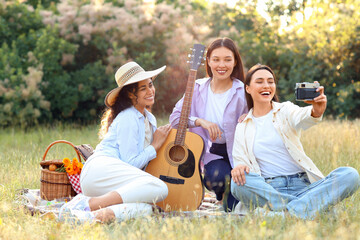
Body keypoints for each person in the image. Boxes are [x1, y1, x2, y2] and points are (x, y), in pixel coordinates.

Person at [231, 64, 360, 219]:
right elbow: (240, 162)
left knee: (350, 175)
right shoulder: (242, 126)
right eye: (259, 81)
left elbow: (303, 116)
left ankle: (284, 214)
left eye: (270, 81)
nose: (266, 85)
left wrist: (316, 111)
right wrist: (239, 168)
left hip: (304, 186)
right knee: (237, 184)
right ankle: (306, 208)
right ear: (248, 88)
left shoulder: (285, 110)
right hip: (269, 189)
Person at [59, 61, 172, 223]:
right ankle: (87, 203)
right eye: (143, 88)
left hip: (113, 182)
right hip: (100, 171)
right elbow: (130, 163)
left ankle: (86, 217)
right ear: (130, 95)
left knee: (147, 207)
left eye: (150, 85)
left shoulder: (150, 119)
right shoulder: (129, 117)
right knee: (160, 188)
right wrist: (155, 145)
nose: (150, 91)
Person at [169, 37, 248, 212]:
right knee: (216, 179)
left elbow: (261, 115)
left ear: (235, 62)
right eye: (216, 59)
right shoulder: (197, 88)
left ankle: (230, 197)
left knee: (234, 208)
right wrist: (199, 121)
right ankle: (221, 194)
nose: (222, 65)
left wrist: (248, 117)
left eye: (228, 59)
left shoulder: (243, 90)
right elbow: (175, 119)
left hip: (240, 152)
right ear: (208, 62)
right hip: (214, 153)